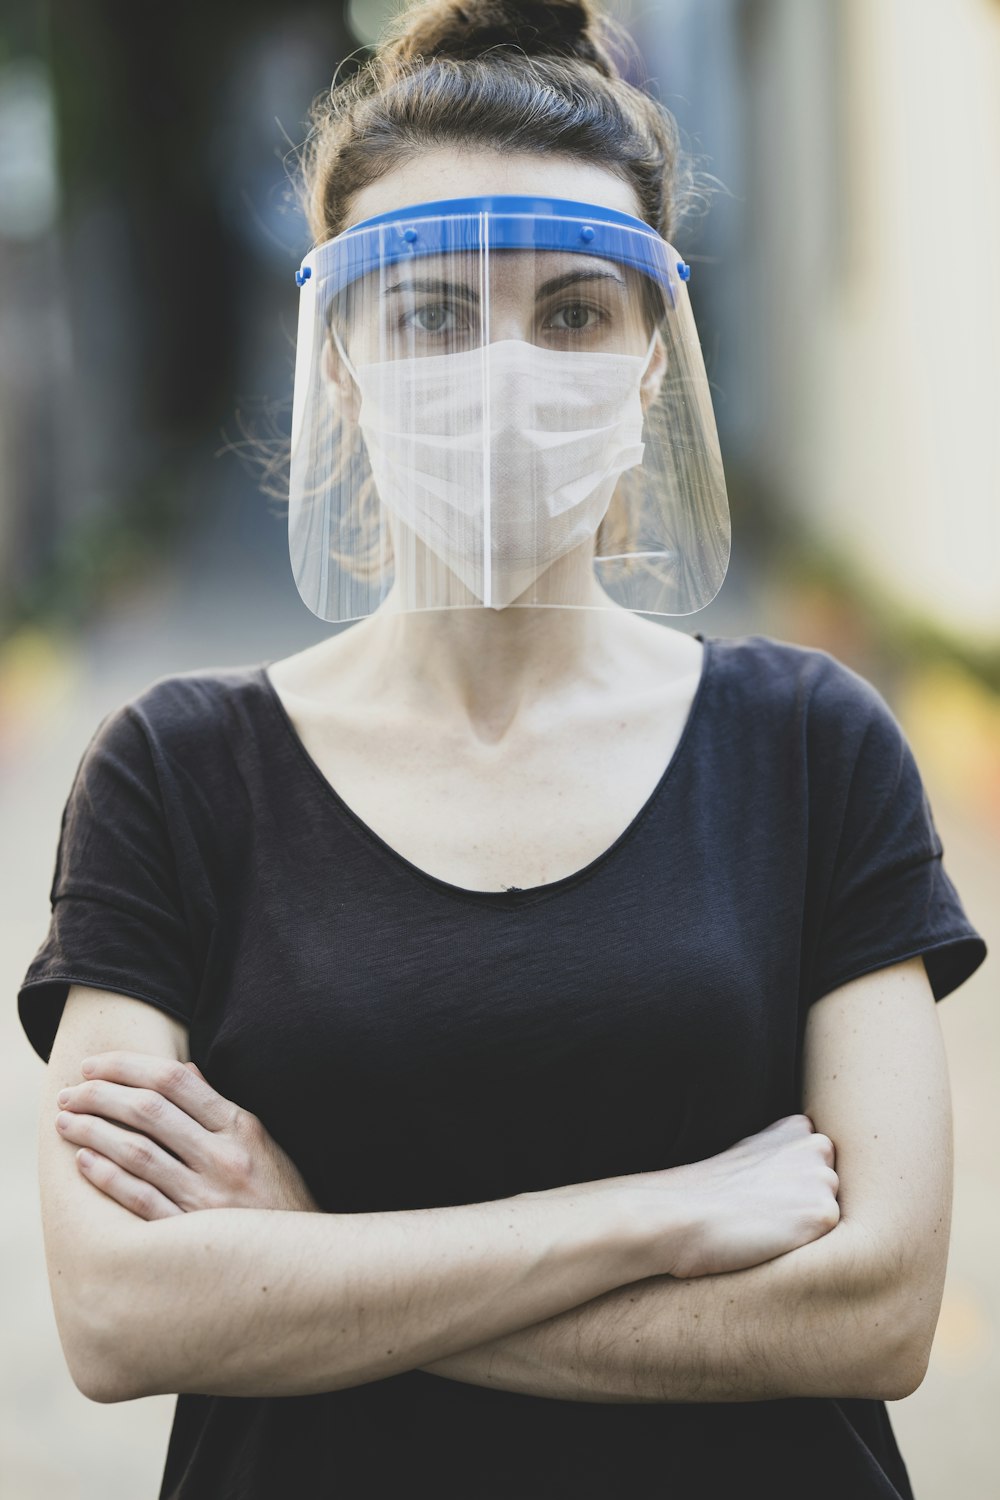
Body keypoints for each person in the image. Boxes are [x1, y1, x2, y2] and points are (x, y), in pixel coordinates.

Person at [19, 3, 987, 1497]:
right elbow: (117, 1311)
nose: (508, 372)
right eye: (433, 313)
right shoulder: (176, 776)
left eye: (576, 313)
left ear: (654, 360)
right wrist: (663, 1216)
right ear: (339, 357)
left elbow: (875, 1311)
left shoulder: (814, 745)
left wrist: (306, 1269)